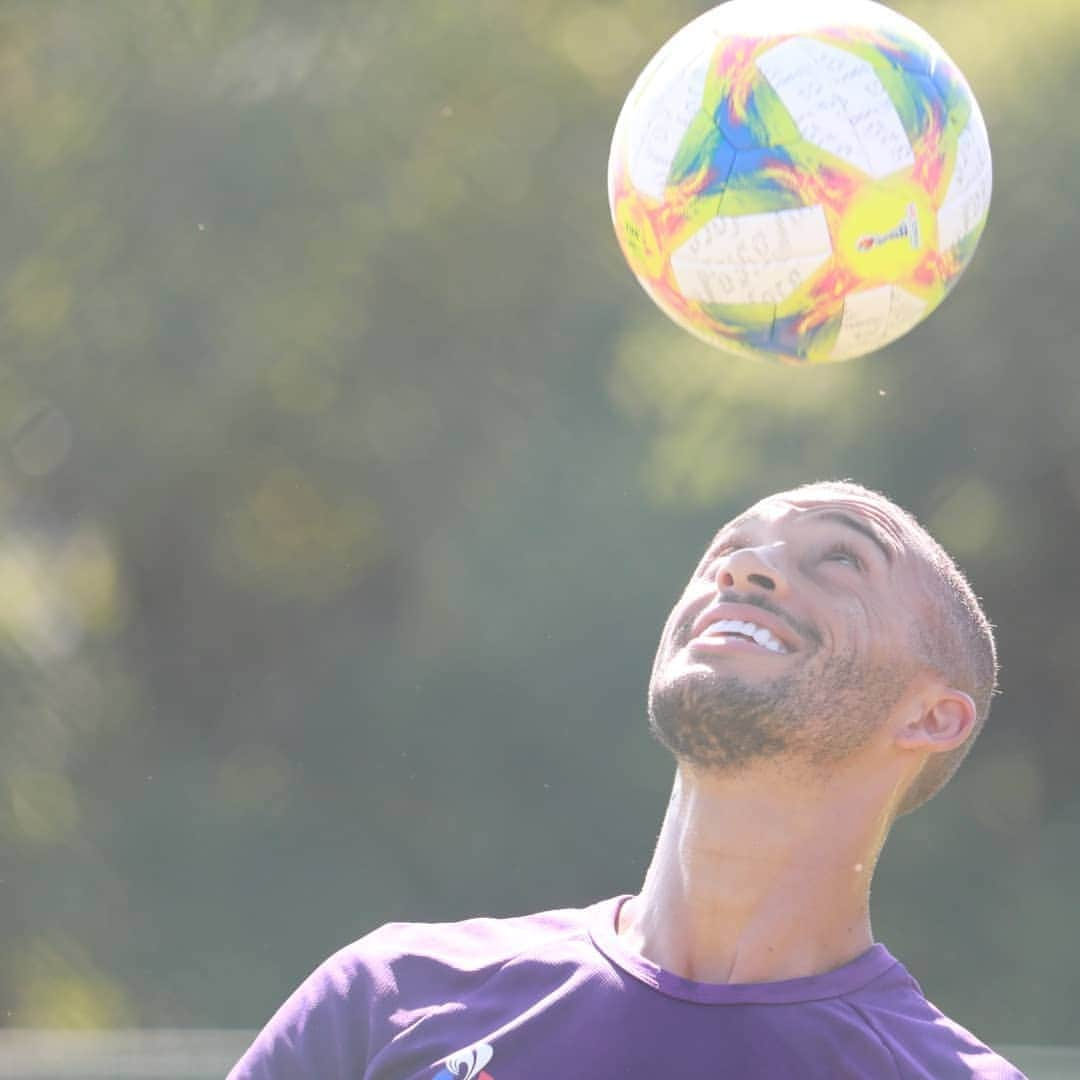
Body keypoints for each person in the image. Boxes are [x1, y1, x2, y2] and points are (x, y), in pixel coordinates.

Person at [229, 480, 1026, 1079]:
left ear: (931, 717)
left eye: (842, 558)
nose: (745, 568)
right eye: (728, 549)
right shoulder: (390, 996)